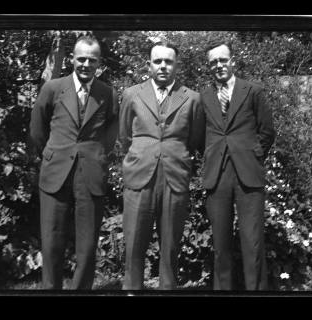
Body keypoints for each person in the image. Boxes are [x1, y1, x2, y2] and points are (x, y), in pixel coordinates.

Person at [30, 35, 119, 290]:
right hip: (55, 171)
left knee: (88, 246)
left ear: (99, 62)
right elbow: (37, 129)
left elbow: (113, 128)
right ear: (72, 59)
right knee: (51, 243)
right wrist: (50, 154)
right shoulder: (53, 88)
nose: (86, 64)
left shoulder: (108, 93)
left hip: (90, 174)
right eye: (81, 58)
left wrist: (99, 154)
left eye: (92, 60)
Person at [119, 41, 204, 290]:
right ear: (149, 65)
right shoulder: (132, 94)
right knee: (134, 242)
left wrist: (177, 157)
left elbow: (195, 138)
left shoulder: (192, 98)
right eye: (158, 61)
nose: (163, 66)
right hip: (139, 175)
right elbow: (124, 136)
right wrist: (139, 155)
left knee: (170, 245)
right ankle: (132, 289)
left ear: (177, 65)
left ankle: (168, 289)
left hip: (174, 177)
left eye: (168, 61)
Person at [200, 41, 275, 290]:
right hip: (217, 175)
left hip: (248, 174)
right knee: (220, 245)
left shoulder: (253, 91)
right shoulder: (204, 95)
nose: (218, 65)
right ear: (209, 66)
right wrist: (212, 155)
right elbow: (200, 136)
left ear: (232, 61)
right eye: (213, 62)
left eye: (223, 60)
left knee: (252, 243)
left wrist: (252, 155)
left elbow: (267, 131)